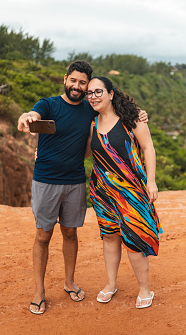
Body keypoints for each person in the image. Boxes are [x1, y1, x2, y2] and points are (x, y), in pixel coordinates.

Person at [17, 61, 147, 315]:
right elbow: (31, 114)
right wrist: (27, 117)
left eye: (82, 83)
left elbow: (117, 111)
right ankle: (39, 292)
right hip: (45, 180)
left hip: (76, 181)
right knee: (43, 236)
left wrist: (141, 115)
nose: (77, 86)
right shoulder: (49, 104)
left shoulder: (91, 108)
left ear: (88, 85)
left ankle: (69, 282)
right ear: (65, 79)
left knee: (69, 233)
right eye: (73, 80)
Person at [85, 76, 161, 309]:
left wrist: (151, 181)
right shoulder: (93, 123)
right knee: (109, 237)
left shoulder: (132, 119)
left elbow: (148, 147)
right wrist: (47, 150)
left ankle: (145, 289)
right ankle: (111, 284)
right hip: (102, 191)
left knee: (134, 239)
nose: (93, 97)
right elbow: (87, 153)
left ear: (111, 94)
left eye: (98, 92)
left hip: (131, 189)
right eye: (90, 93)